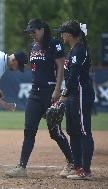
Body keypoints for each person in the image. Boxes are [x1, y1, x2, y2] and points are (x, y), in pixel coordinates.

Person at [6, 18, 74, 178]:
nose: (32, 34)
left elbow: (60, 66)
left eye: (33, 31)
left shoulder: (54, 44)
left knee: (54, 132)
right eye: (29, 32)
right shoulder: (33, 46)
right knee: (29, 130)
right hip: (35, 94)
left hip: (50, 93)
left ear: (42, 29)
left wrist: (58, 89)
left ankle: (72, 162)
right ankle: (21, 167)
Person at [57, 20, 95, 180]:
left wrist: (63, 96)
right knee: (73, 131)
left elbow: (73, 78)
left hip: (80, 93)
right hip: (74, 94)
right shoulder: (73, 50)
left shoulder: (79, 50)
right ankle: (77, 166)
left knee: (83, 131)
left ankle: (85, 170)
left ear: (69, 34)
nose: (61, 35)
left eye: (62, 32)